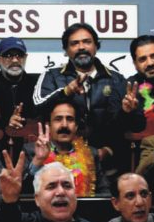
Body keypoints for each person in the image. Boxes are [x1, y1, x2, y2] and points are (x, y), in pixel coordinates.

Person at [32, 23, 139, 176]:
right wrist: (66, 92)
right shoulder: (52, 76)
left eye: (87, 42)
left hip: (106, 162)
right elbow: (37, 106)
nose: (81, 47)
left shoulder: (115, 79)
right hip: (59, 161)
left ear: (96, 46)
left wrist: (126, 112)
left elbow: (120, 125)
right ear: (66, 50)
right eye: (74, 43)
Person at [24, 102, 111, 197]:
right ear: (48, 125)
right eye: (58, 119)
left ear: (76, 126)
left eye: (70, 119)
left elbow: (105, 193)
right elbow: (24, 192)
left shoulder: (91, 154)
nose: (64, 125)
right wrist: (38, 161)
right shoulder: (31, 152)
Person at [0, 37, 40, 155]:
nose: (15, 60)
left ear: (25, 57)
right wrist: (6, 120)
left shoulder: (38, 84)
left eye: (19, 55)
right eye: (8, 56)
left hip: (32, 151)